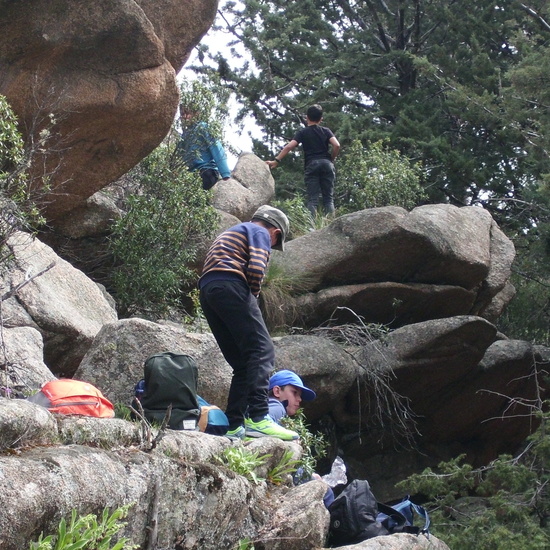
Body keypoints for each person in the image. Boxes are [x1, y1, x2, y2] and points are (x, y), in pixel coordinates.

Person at [198, 205, 299, 441]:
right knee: (262, 350)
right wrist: (252, 295)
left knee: (243, 363)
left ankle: (233, 425)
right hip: (231, 284)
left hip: (209, 290)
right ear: (275, 233)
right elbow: (255, 267)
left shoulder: (234, 231)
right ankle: (259, 418)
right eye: (275, 245)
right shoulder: (259, 232)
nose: (271, 247)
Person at [268, 369, 335, 508]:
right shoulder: (275, 406)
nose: (299, 399)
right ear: (277, 391)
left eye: (300, 395)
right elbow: (264, 422)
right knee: (327, 494)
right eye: (294, 393)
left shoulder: (275, 410)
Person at [266, 104, 340, 217]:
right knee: (328, 199)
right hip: (326, 164)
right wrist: (332, 159)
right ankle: (332, 225)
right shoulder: (326, 131)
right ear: (321, 119)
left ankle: (312, 228)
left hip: (312, 165)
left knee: (313, 200)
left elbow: (289, 146)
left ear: (307, 118)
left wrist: (276, 161)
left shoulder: (303, 132)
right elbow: (336, 145)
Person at [178, 105, 231, 190]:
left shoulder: (202, 127)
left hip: (207, 171)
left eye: (187, 113)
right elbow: (180, 157)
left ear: (196, 113)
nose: (184, 117)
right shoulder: (184, 136)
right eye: (182, 114)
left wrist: (225, 173)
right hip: (192, 174)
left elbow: (216, 147)